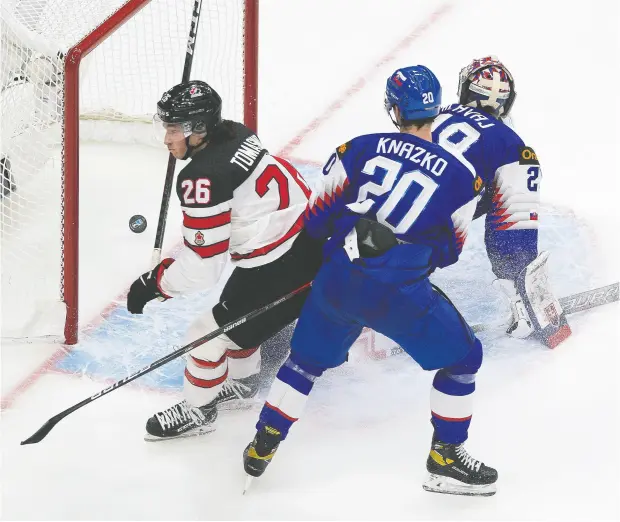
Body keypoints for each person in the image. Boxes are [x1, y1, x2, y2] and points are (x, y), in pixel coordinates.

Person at [242, 66, 498, 496]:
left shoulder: (356, 148)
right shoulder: (461, 177)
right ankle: (445, 458)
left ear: (394, 110)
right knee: (464, 360)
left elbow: (315, 220)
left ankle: (263, 444)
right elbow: (449, 251)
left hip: (338, 282)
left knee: (303, 364)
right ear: (436, 109)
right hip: (401, 293)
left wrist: (350, 241)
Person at [127, 80, 323, 440]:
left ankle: (198, 411)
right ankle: (245, 385)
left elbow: (204, 267)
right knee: (233, 314)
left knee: (205, 335)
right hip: (296, 244)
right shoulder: (237, 132)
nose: (167, 138)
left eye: (173, 128)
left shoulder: (202, 178)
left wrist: (157, 284)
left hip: (290, 265)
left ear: (198, 130)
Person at [432, 56, 570, 347]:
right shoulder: (509, 142)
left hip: (390, 207)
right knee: (511, 180)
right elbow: (514, 211)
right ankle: (524, 302)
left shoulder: (434, 114)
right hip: (443, 216)